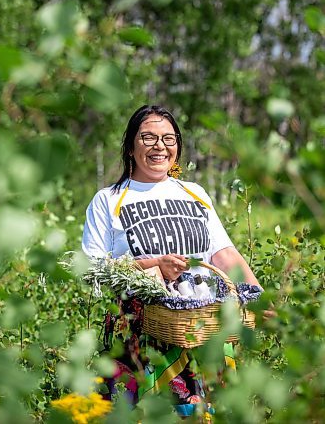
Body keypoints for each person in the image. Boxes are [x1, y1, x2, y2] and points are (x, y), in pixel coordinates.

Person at [82, 104, 263, 417]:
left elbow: (223, 253)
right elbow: (93, 269)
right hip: (138, 338)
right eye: (148, 137)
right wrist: (152, 265)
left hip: (202, 331)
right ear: (130, 147)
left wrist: (257, 295)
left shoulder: (194, 193)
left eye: (168, 138)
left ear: (177, 147)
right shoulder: (109, 199)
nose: (159, 146)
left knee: (203, 416)